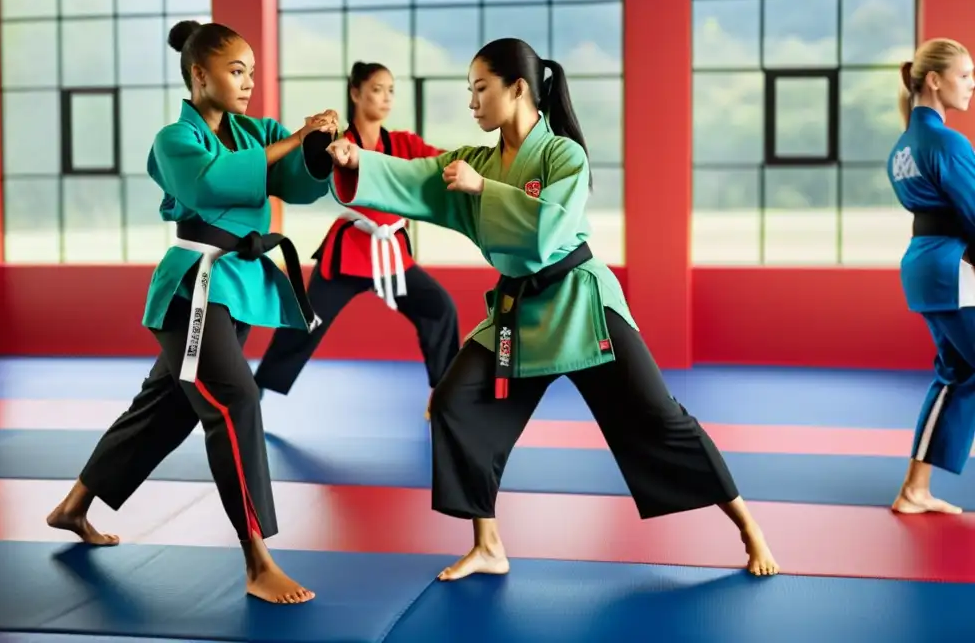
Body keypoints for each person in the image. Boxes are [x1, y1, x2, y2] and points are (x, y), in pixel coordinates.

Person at [323, 37, 780, 581]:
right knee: (454, 402)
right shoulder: (474, 160)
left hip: (580, 306)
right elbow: (415, 177)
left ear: (518, 88)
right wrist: (356, 162)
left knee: (659, 419)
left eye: (480, 89)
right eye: (469, 91)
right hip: (518, 313)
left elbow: (546, 232)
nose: (471, 102)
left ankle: (749, 528)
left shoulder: (564, 154)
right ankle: (488, 544)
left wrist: (482, 188)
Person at [46, 19, 340, 604]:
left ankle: (73, 506)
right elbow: (214, 185)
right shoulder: (173, 140)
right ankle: (258, 562)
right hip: (191, 295)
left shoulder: (257, 130)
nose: (249, 83)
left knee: (165, 408)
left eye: (252, 72)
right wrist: (292, 138)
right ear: (199, 74)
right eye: (237, 71)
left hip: (239, 288)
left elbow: (299, 183)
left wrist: (317, 144)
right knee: (235, 402)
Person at [254, 61, 460, 419]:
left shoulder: (402, 142)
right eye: (377, 89)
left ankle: (444, 394)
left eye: (391, 90)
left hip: (390, 253)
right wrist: (321, 140)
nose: (386, 97)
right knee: (307, 322)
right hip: (348, 252)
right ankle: (255, 389)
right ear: (355, 93)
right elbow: (314, 172)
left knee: (440, 308)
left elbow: (443, 161)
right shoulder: (340, 143)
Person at [886, 37, 975, 515]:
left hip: (926, 269)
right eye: (966, 76)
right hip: (953, 272)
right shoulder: (946, 142)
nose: (972, 87)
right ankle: (914, 489)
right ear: (936, 81)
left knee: (957, 373)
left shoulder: (903, 147)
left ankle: (914, 489)